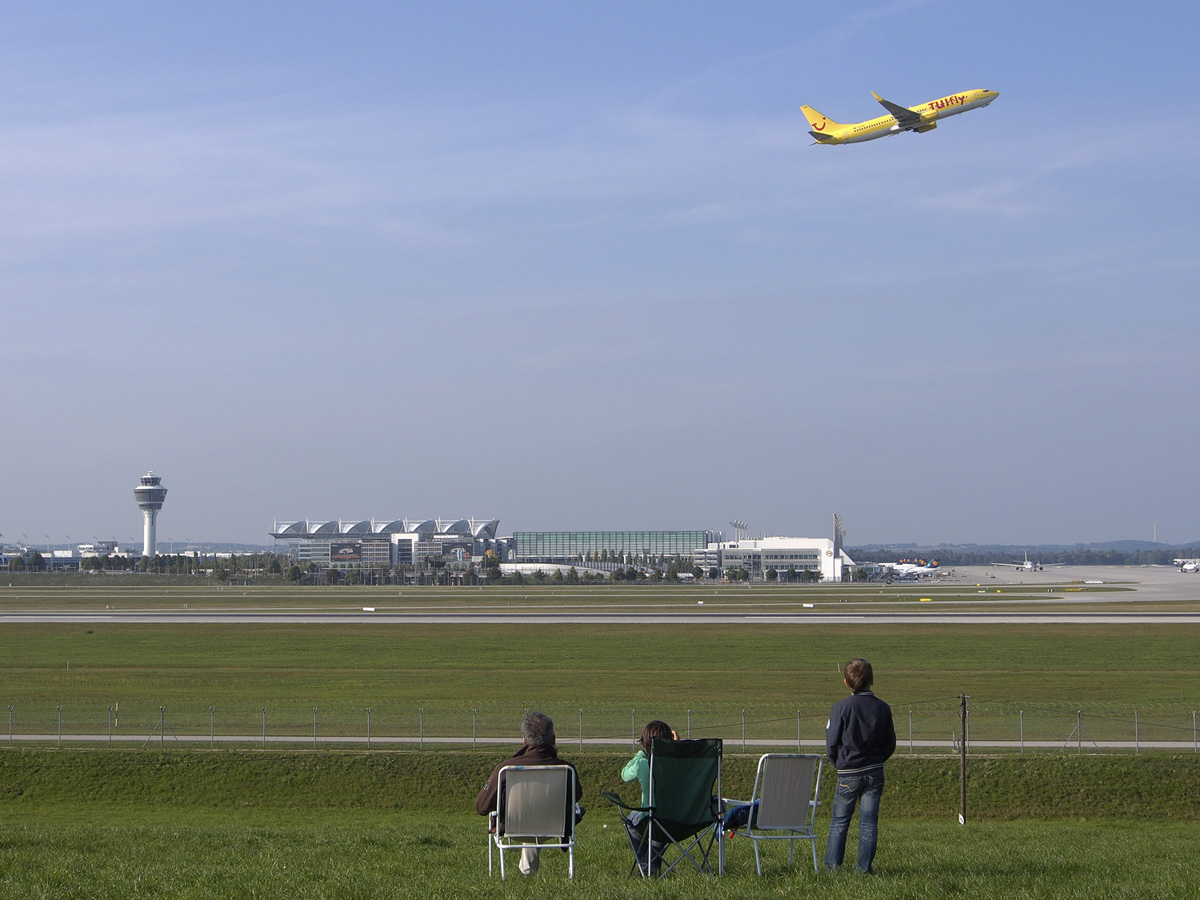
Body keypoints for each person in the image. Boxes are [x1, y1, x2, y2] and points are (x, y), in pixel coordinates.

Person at [475, 711, 583, 876]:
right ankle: (529, 872)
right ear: (553, 739)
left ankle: (525, 872)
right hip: (554, 827)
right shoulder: (566, 770)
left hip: (513, 828)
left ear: (524, 741)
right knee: (540, 812)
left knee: (528, 813)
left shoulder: (505, 769)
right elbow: (577, 795)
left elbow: (482, 807)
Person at [824, 658, 896, 874]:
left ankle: (832, 868)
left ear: (846, 682)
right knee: (869, 823)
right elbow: (890, 743)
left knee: (839, 822)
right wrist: (877, 760)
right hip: (874, 771)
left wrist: (840, 763)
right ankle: (863, 868)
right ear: (872, 680)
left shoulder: (841, 708)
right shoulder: (883, 708)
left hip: (848, 771)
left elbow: (831, 744)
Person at [620, 719, 676, 876]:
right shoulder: (679, 764)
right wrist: (676, 748)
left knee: (632, 820)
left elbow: (625, 775)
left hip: (652, 818)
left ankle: (646, 866)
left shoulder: (642, 764)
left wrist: (641, 753)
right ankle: (652, 863)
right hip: (680, 820)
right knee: (660, 825)